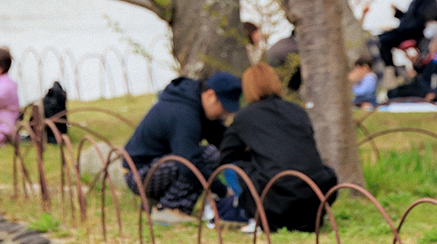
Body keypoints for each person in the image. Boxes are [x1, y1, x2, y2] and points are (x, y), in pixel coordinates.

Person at [219, 65, 338, 232]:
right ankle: (304, 219)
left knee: (231, 167)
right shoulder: (298, 111)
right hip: (315, 194)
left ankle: (253, 214)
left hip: (274, 196)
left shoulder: (245, 117)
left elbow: (226, 155)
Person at [123, 72, 241, 225]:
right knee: (206, 156)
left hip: (155, 168)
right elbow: (188, 164)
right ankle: (169, 208)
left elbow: (223, 140)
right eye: (224, 107)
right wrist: (222, 190)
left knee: (204, 155)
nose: (225, 114)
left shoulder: (195, 104)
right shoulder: (184, 114)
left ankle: (158, 201)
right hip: (138, 175)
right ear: (211, 95)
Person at [386, 6, 437, 102]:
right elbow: (429, 70)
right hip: (428, 86)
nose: (428, 26)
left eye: (431, 23)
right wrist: (416, 62)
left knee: (396, 95)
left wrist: (435, 93)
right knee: (394, 93)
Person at [378, 0, 437, 71]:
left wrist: (398, 29)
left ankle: (391, 71)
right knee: (383, 38)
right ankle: (392, 70)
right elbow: (411, 18)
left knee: (383, 40)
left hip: (413, 32)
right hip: (409, 30)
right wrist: (398, 13)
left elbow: (418, 22)